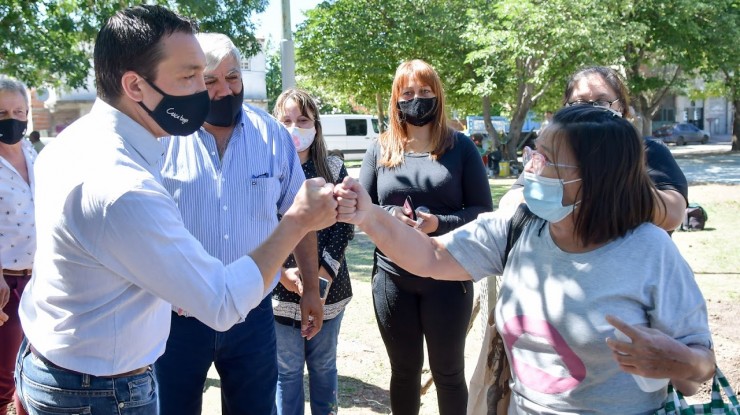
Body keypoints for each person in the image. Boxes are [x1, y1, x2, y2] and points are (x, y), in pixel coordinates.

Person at [15, 6, 341, 415]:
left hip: (61, 365)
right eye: (191, 78)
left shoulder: (71, 144)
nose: (207, 94)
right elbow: (221, 302)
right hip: (103, 390)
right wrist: (297, 221)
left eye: (224, 77)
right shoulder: (122, 187)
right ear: (135, 86)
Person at [336, 105, 715, 414]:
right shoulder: (518, 227)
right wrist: (369, 215)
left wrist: (678, 361)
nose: (529, 166)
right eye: (533, 152)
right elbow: (431, 257)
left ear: (594, 178)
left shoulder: (650, 251)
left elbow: (700, 369)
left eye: (545, 159)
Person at [153, 33, 322, 415]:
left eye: (233, 77)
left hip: (252, 315)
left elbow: (300, 216)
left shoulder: (273, 137)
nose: (224, 90)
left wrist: (310, 287)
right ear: (190, 83)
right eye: (210, 81)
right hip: (178, 320)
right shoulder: (163, 139)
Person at [359, 59, 493, 415]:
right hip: (392, 277)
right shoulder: (379, 148)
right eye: (407, 93)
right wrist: (389, 216)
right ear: (395, 100)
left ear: (437, 96)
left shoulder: (461, 148)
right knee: (403, 372)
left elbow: (482, 211)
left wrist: (439, 222)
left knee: (448, 373)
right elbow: (363, 208)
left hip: (449, 277)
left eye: (424, 92)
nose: (416, 99)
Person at [500, 66, 688, 231]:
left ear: (621, 107)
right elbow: (509, 204)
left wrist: (609, 183)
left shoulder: (648, 150)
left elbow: (673, 214)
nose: (590, 110)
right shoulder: (549, 153)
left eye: (601, 102)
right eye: (580, 102)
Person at [272, 88, 355, 415]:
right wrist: (280, 271)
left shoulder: (333, 169)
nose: (295, 127)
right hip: (280, 291)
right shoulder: (267, 173)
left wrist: (318, 281)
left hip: (331, 291)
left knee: (323, 368)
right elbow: (259, 226)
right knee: (287, 373)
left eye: (302, 120)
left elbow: (344, 227)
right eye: (287, 120)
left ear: (316, 126)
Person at [0, 76, 34, 415]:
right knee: (3, 377)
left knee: (33, 373)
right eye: (2, 112)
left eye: (19, 111)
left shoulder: (31, 151)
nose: (12, 119)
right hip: (5, 286)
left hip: (38, 281)